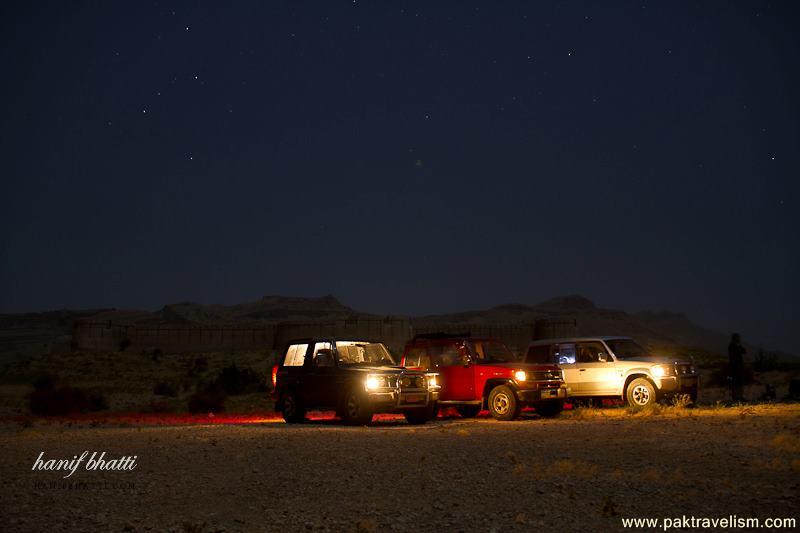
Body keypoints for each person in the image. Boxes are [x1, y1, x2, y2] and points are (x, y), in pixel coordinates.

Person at [728, 333, 746, 402]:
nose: (739, 339)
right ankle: (736, 397)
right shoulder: (732, 346)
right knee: (735, 382)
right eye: (738, 338)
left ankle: (740, 397)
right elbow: (733, 357)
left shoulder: (736, 346)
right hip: (734, 367)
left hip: (738, 367)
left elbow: (744, 351)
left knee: (739, 382)